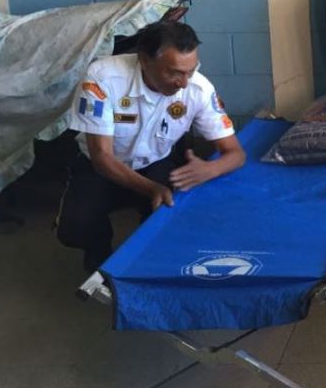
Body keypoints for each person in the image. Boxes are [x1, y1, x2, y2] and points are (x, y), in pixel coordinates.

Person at [56, 21, 246, 272]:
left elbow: (236, 154)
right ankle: (99, 250)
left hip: (156, 162)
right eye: (174, 73)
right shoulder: (102, 78)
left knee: (171, 220)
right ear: (144, 60)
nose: (183, 83)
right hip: (102, 167)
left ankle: (150, 262)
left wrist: (210, 169)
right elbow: (102, 157)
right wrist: (151, 189)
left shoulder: (198, 89)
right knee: (75, 228)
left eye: (190, 71)